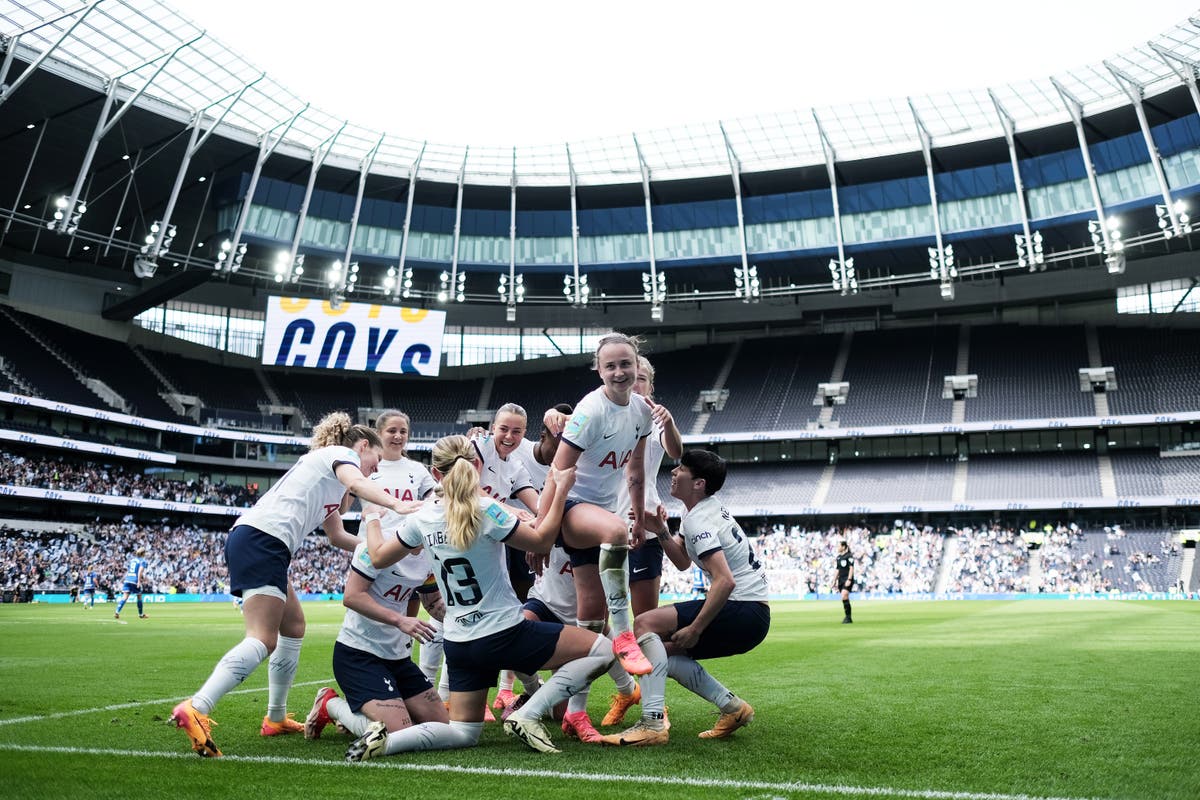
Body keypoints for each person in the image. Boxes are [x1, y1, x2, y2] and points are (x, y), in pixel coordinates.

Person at [170, 412, 421, 758]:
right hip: (263, 540)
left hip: (265, 542)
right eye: (374, 462)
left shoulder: (328, 478)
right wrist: (396, 504)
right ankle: (197, 706)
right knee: (262, 638)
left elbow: (337, 536)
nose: (374, 471)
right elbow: (357, 480)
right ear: (362, 446)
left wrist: (384, 550)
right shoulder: (340, 455)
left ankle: (275, 718)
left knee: (294, 626)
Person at [348, 434, 613, 758]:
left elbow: (377, 557)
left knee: (463, 732)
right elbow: (542, 541)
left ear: (435, 474)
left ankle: (388, 742)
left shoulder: (422, 518)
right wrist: (559, 489)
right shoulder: (486, 510)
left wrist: (372, 516)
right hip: (504, 633)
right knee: (602, 650)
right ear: (476, 466)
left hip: (460, 643)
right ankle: (528, 713)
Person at [604, 449, 769, 746]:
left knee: (644, 623)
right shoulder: (698, 512)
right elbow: (682, 561)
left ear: (699, 483)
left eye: (681, 469)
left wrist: (696, 628)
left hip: (744, 608)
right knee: (660, 654)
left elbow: (725, 581)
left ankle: (653, 725)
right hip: (752, 614)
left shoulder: (699, 519)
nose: (673, 472)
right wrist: (661, 531)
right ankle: (733, 707)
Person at [544, 332, 655, 681]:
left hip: (603, 511)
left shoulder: (642, 411)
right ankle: (624, 635)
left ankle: (575, 706)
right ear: (599, 370)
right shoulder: (590, 411)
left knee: (591, 617)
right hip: (570, 506)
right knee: (615, 530)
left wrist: (639, 520)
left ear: (636, 365)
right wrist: (542, 530)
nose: (619, 372)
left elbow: (635, 470)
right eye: (610, 366)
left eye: (625, 364)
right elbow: (557, 472)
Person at [303, 530, 448, 742]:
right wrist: (400, 620)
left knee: (441, 726)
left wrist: (466, 620)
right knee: (399, 732)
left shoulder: (430, 552)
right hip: (358, 654)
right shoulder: (373, 549)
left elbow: (432, 601)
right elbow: (352, 597)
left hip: (398, 657)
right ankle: (330, 704)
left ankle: (379, 710)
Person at [114, 547, 149, 620]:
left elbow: (129, 570)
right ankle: (141, 614)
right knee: (139, 596)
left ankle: (117, 611)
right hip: (134, 580)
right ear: (143, 553)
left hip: (128, 579)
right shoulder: (143, 561)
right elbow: (140, 571)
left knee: (125, 597)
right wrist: (139, 581)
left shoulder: (133, 560)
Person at [834, 540, 854, 624]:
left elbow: (851, 568)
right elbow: (837, 570)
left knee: (844, 595)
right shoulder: (838, 557)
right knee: (844, 598)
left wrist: (849, 579)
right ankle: (848, 617)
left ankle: (848, 617)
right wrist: (834, 580)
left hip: (847, 579)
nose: (837, 548)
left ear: (843, 547)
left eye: (839, 546)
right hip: (841, 580)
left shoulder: (849, 556)